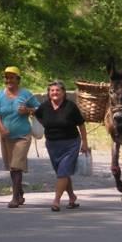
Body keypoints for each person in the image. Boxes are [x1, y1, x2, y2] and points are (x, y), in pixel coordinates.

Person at [34, 80, 89, 212]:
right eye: (52, 90)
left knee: (63, 172)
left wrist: (85, 143)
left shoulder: (71, 107)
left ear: (64, 93)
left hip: (71, 144)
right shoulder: (44, 107)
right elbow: (36, 117)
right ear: (49, 93)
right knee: (62, 173)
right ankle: (72, 197)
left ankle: (56, 201)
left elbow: (81, 124)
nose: (55, 93)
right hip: (52, 145)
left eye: (58, 90)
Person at [0, 66, 40, 208]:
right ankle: (19, 192)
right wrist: (1, 128)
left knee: (15, 167)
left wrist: (28, 110)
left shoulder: (26, 94)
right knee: (12, 167)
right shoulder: (0, 95)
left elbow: (39, 109)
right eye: (7, 77)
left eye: (12, 77)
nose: (9, 80)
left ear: (18, 79)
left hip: (23, 136)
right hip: (6, 137)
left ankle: (14, 198)